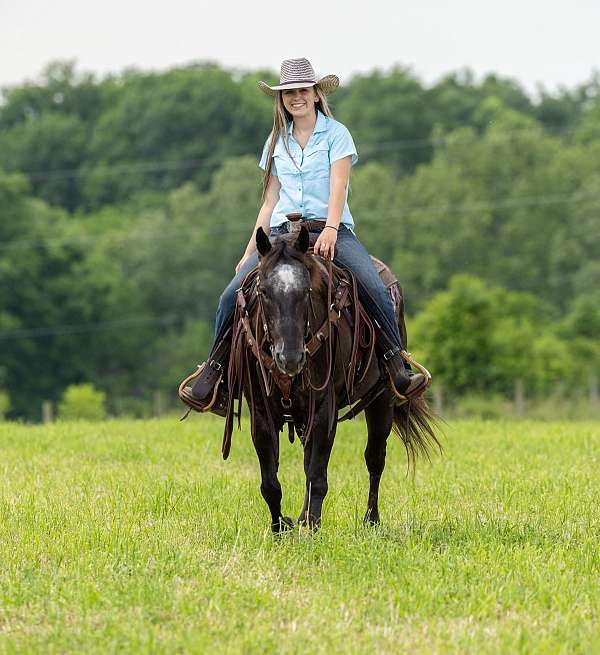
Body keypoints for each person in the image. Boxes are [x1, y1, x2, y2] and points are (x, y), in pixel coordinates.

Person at [181, 58, 427, 415]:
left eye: (301, 90)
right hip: (281, 235)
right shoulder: (276, 141)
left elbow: (339, 184)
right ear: (281, 99)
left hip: (328, 230)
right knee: (230, 294)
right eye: (288, 93)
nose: (295, 97)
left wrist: (329, 228)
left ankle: (396, 365)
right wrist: (251, 248)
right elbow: (269, 200)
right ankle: (213, 377)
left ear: (314, 94)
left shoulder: (336, 134)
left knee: (373, 286)